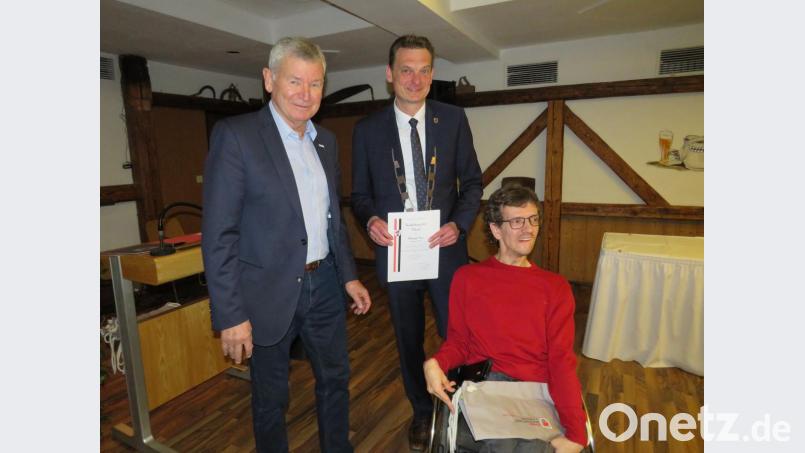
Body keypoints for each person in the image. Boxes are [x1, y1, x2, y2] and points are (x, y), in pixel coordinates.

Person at [202, 36, 371, 453]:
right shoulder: (236, 136)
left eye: (315, 84)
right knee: (271, 395)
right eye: (295, 81)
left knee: (335, 378)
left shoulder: (325, 141)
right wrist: (230, 314)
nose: (306, 94)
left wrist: (349, 277)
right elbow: (218, 234)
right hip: (267, 293)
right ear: (268, 79)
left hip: (326, 285)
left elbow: (332, 219)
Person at [351, 34, 483, 450]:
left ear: (433, 73)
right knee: (407, 336)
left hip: (446, 250)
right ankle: (422, 411)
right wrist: (370, 219)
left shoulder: (453, 119)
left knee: (455, 335)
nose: (416, 78)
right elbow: (359, 196)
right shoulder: (367, 129)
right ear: (390, 75)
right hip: (397, 252)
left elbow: (473, 184)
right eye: (406, 69)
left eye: (424, 69)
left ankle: (457, 404)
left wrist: (459, 226)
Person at [423, 185, 587, 453]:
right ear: (496, 230)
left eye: (534, 219)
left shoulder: (554, 287)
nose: (529, 229)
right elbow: (459, 342)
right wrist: (435, 362)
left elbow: (561, 362)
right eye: (517, 221)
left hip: (536, 390)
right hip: (486, 385)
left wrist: (577, 435)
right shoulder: (468, 278)